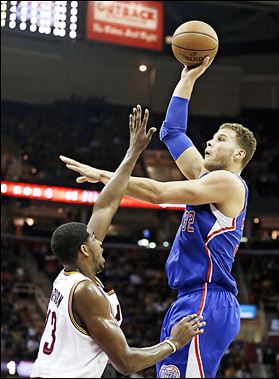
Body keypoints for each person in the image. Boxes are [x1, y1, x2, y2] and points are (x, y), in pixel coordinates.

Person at [60, 58, 257, 378]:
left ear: (239, 155)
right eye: (212, 136)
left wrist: (105, 176)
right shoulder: (205, 178)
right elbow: (173, 131)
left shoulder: (229, 184)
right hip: (192, 298)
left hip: (208, 298)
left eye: (221, 139)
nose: (209, 141)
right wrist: (188, 78)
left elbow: (159, 194)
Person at [30, 104, 206, 379]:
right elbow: (125, 361)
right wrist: (174, 342)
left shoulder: (70, 275)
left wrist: (133, 151)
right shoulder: (86, 292)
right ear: (85, 250)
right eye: (95, 240)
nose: (101, 242)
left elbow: (106, 205)